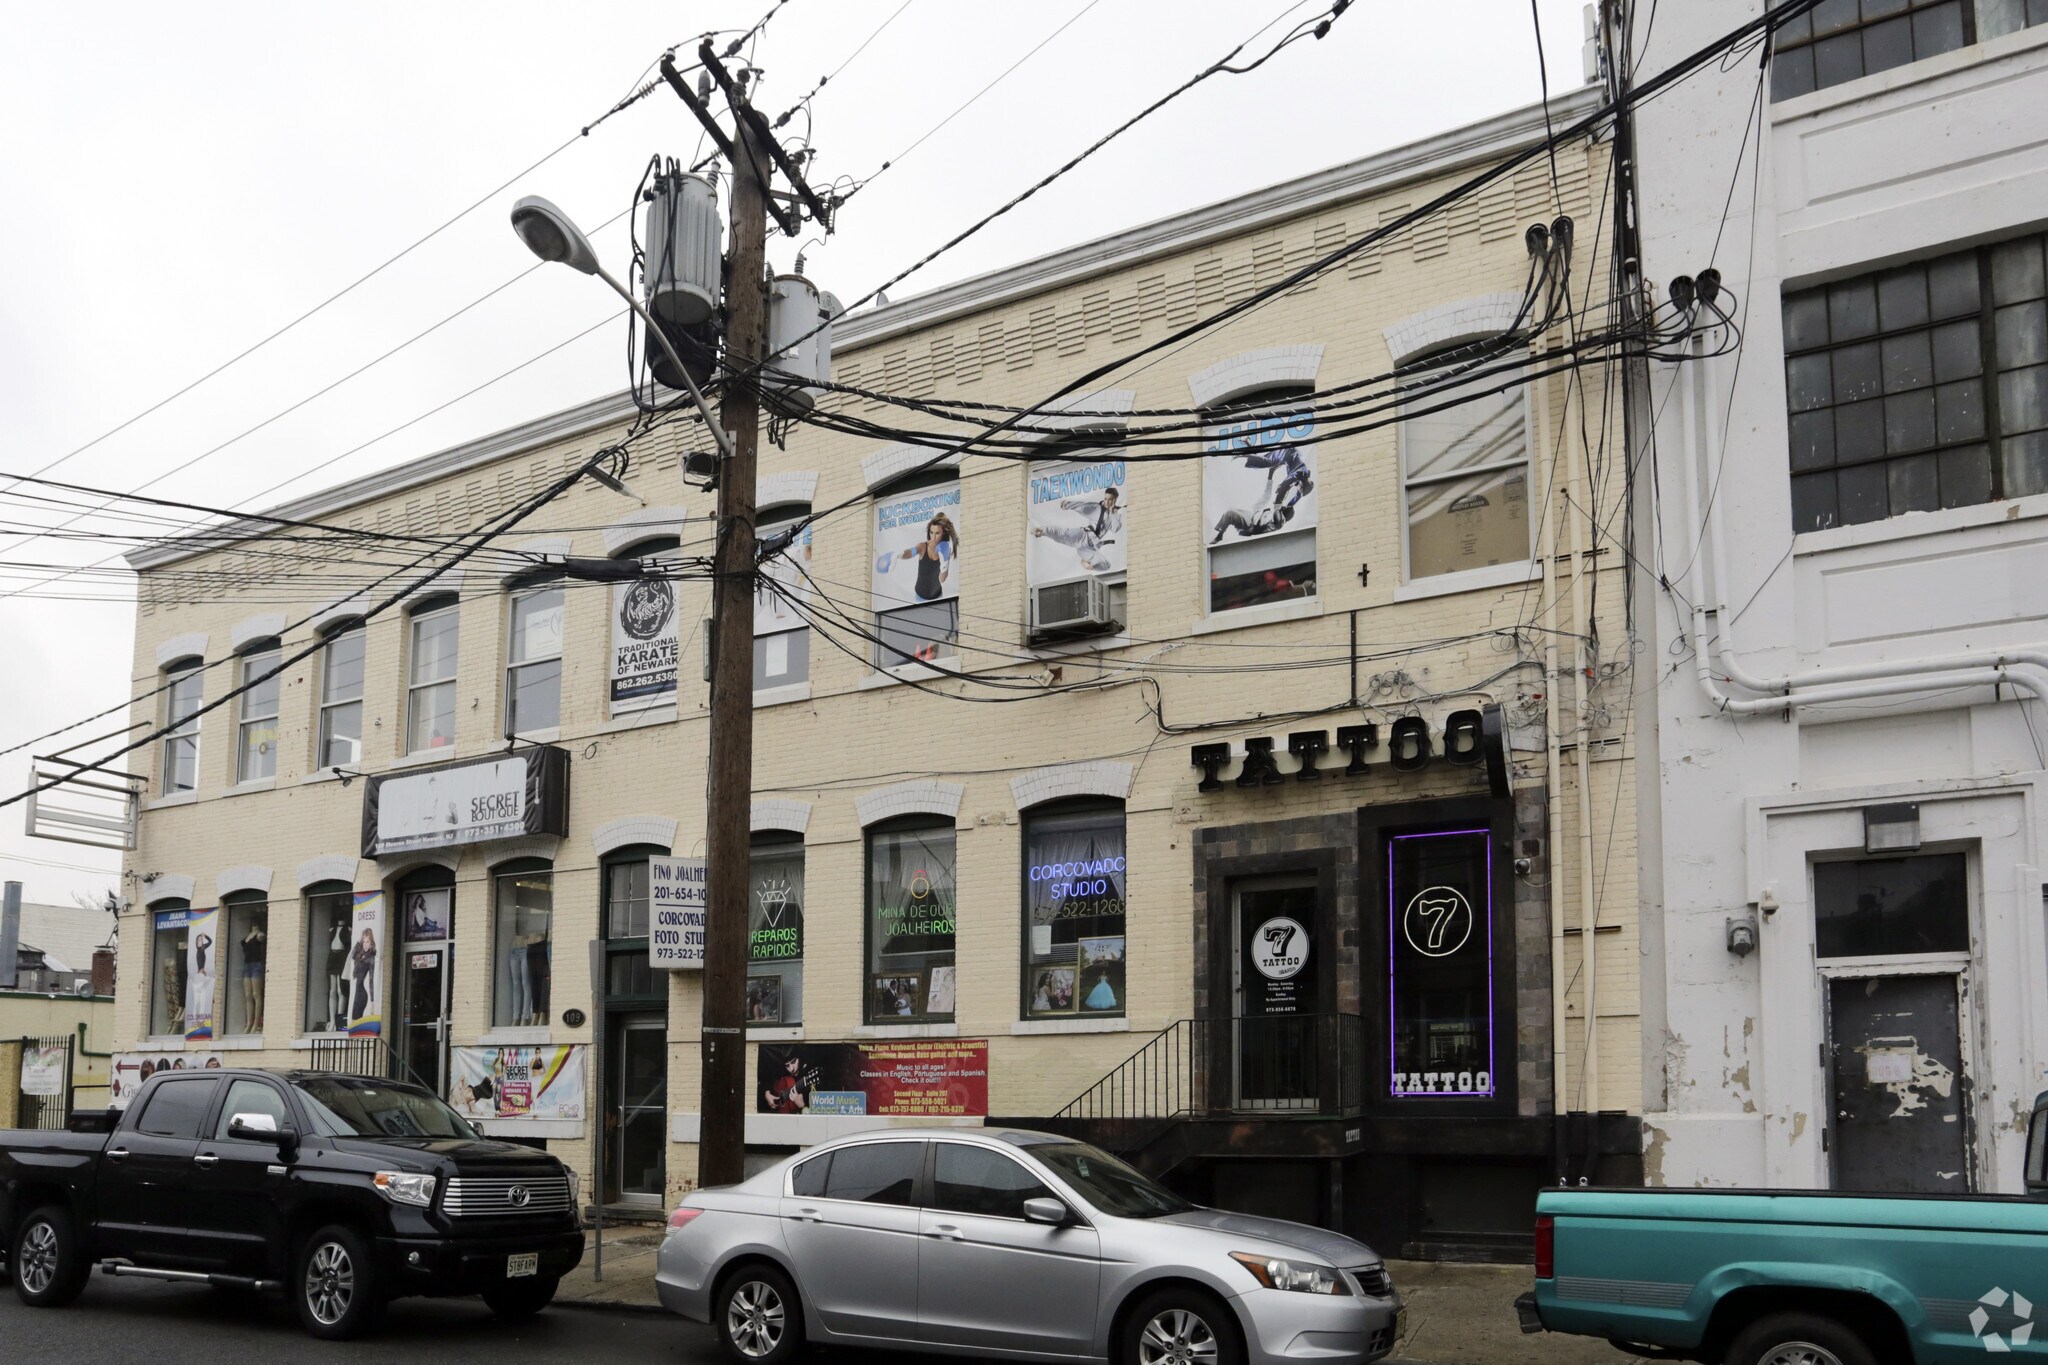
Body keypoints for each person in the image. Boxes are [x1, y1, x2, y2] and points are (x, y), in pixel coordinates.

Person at [1032, 485, 1123, 573]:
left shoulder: (1113, 516)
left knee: (1106, 565)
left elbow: (1115, 529)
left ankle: (1085, 562)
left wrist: (1114, 514)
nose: (1106, 502)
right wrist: (1068, 504)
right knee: (1064, 534)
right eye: (1105, 499)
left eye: (1110, 500)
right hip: (1083, 536)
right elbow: (1083, 507)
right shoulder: (1098, 508)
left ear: (1114, 500)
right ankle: (1041, 530)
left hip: (1089, 548)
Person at [349, 928, 377, 1025]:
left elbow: (371, 981)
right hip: (357, 994)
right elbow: (352, 955)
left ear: (371, 943)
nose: (365, 944)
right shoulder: (359, 955)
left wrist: (372, 1002)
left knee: (356, 1023)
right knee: (353, 1023)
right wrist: (358, 939)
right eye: (363, 941)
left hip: (361, 996)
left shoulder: (371, 959)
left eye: (367, 941)